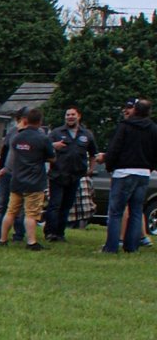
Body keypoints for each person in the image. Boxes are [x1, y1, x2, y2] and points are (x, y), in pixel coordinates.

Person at [101, 98, 154, 255]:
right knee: (137, 211)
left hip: (123, 172)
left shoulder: (125, 127)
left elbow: (115, 148)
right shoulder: (153, 128)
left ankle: (111, 247)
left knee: (116, 211)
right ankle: (131, 247)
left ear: (135, 110)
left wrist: (109, 165)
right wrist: (150, 167)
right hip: (143, 173)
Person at [0, 106, 51, 250]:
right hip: (34, 181)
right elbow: (52, 157)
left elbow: (10, 153)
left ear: (26, 121)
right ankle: (31, 242)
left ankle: (2, 239)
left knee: (11, 211)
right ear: (40, 121)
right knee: (31, 213)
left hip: (17, 179)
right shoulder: (43, 138)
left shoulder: (17, 137)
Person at [44, 106, 99, 242]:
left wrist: (91, 169)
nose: (70, 117)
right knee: (55, 204)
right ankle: (50, 233)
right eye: (67, 115)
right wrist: (53, 145)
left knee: (67, 206)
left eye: (73, 114)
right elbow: (43, 149)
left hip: (75, 176)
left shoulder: (86, 134)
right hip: (57, 174)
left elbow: (93, 154)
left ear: (79, 116)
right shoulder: (56, 133)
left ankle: (60, 233)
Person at [0, 111, 21, 240]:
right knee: (1, 203)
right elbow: (5, 149)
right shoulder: (12, 132)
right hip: (7, 173)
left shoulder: (36, 133)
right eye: (19, 120)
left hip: (22, 175)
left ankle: (18, 234)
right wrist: (1, 168)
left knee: (20, 207)